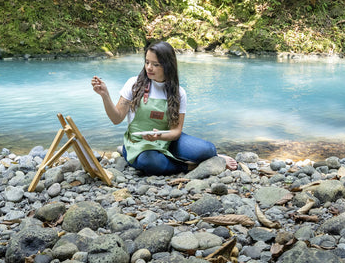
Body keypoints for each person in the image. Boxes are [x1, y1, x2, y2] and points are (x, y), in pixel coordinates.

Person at [91, 40, 237, 175]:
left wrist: (159, 136)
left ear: (167, 65)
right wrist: (105, 95)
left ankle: (208, 157)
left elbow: (176, 131)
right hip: (138, 144)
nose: (149, 67)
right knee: (151, 162)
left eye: (155, 64)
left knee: (208, 149)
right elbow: (116, 118)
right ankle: (190, 167)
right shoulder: (133, 84)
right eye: (147, 62)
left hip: (167, 140)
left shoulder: (179, 92)